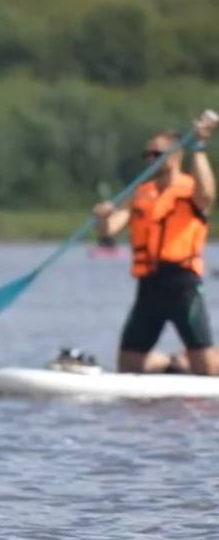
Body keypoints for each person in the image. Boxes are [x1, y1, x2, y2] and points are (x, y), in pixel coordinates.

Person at [93, 114, 219, 374]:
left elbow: (207, 194)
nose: (149, 159)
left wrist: (198, 146)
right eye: (147, 154)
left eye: (156, 153)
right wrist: (103, 218)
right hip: (149, 286)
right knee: (128, 366)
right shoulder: (141, 193)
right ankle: (174, 364)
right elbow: (110, 229)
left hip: (183, 285)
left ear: (175, 156)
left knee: (206, 368)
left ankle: (195, 362)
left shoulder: (191, 190)